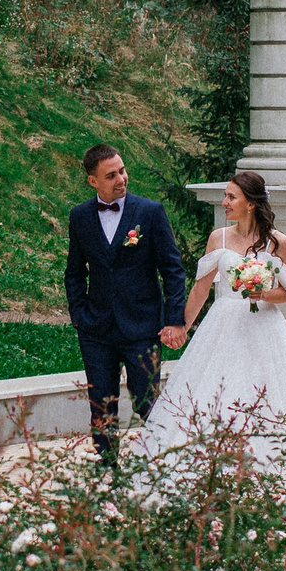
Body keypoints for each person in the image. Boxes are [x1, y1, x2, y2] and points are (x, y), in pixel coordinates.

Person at [136, 170, 286, 470]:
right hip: (223, 324)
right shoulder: (218, 238)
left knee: (263, 393)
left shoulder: (277, 242)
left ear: (251, 204)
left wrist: (262, 294)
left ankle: (266, 464)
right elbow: (201, 288)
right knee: (213, 389)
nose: (225, 202)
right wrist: (182, 326)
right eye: (226, 196)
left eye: (232, 197)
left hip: (264, 328)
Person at [64, 144, 188, 466]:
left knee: (147, 401)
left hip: (142, 327)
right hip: (96, 329)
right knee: (101, 404)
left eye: (121, 170)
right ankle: (107, 469)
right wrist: (79, 315)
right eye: (111, 175)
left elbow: (172, 270)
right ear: (93, 181)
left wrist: (175, 319)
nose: (121, 179)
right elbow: (74, 272)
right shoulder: (79, 217)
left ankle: (167, 463)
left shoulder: (149, 212)